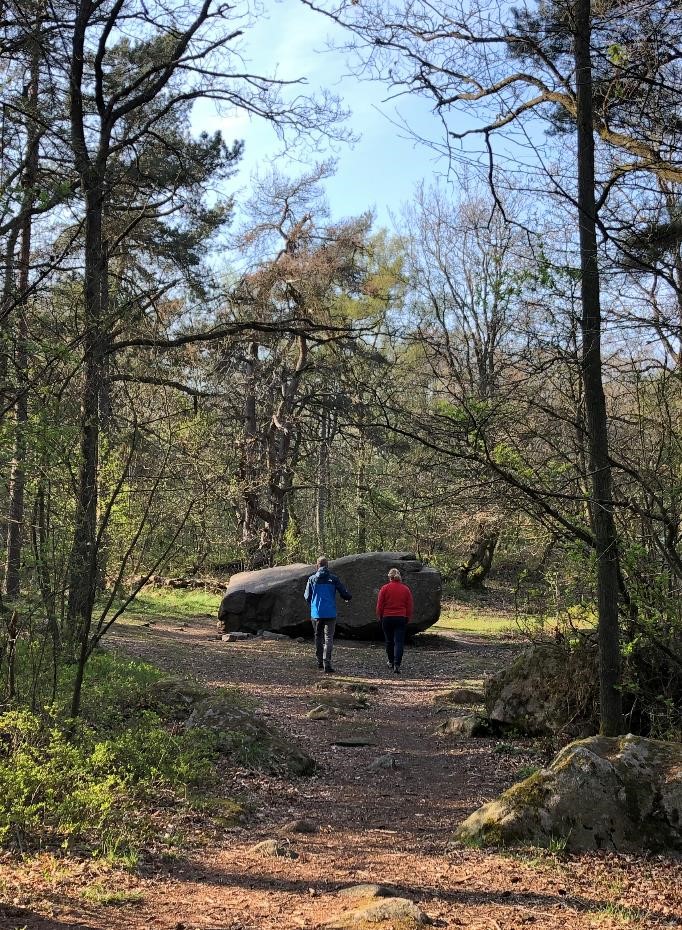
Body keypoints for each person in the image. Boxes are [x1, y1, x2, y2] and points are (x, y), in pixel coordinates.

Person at [304, 556, 352, 673]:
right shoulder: (333, 579)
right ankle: (327, 663)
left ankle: (320, 661)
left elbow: (307, 596)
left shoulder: (312, 579)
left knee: (318, 637)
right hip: (330, 613)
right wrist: (348, 597)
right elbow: (344, 593)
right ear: (327, 566)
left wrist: (313, 603)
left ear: (317, 566)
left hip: (316, 613)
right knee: (329, 638)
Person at [376, 567, 413, 674]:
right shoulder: (405, 589)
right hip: (401, 617)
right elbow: (409, 605)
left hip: (387, 617)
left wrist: (380, 616)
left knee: (389, 641)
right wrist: (408, 617)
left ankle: (391, 661)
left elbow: (380, 605)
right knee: (399, 642)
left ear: (389, 577)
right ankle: (397, 664)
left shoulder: (384, 588)